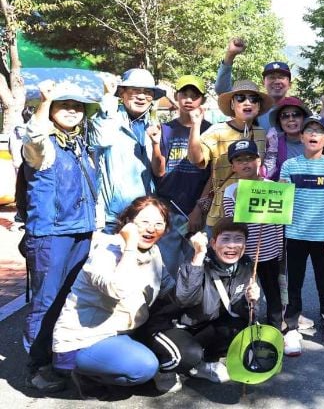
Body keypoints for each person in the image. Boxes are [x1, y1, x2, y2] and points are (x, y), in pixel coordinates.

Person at [52, 197, 175, 399]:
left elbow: (170, 289)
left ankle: (115, 371)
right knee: (144, 366)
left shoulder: (154, 251)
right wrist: (130, 246)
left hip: (122, 332)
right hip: (86, 339)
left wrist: (198, 261)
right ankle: (87, 377)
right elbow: (117, 289)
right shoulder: (106, 250)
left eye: (159, 223)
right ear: (128, 222)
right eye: (143, 222)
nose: (151, 229)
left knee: (171, 348)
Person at [21, 81, 99, 393]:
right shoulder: (43, 145)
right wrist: (44, 99)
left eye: (77, 106)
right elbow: (34, 136)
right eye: (63, 104)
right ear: (51, 111)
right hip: (51, 234)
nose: (71, 110)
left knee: (70, 299)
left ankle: (61, 359)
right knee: (45, 301)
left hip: (82, 230)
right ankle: (36, 366)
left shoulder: (81, 143)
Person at [141, 220, 260, 391]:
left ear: (245, 244)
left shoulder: (246, 265)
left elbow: (243, 314)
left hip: (202, 323)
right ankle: (163, 368)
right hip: (172, 325)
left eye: (238, 239)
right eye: (225, 239)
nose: (232, 245)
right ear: (213, 243)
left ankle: (203, 363)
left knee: (240, 328)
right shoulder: (198, 261)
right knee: (188, 355)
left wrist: (251, 303)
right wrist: (198, 255)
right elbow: (184, 299)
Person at [279, 116, 324, 354]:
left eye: (319, 131)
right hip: (294, 234)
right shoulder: (289, 166)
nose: (313, 134)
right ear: (302, 137)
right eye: (309, 131)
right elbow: (281, 203)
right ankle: (292, 327)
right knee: (293, 283)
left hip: (322, 238)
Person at [188, 80, 273, 232]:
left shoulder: (261, 133)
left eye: (253, 99)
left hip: (252, 212)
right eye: (240, 98)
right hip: (221, 212)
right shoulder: (216, 131)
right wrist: (195, 125)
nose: (247, 102)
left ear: (258, 106)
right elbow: (196, 159)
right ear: (232, 104)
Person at [89, 68, 165, 231]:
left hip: (144, 216)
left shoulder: (154, 126)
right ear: (122, 93)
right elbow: (100, 139)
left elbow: (158, 171)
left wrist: (156, 143)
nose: (141, 96)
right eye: (135, 90)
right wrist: (108, 98)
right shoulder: (106, 118)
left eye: (147, 92)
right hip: (112, 217)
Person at [151, 75, 212, 276]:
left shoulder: (211, 131)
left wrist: (199, 209)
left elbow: (213, 176)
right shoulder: (166, 129)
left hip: (196, 209)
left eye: (194, 96)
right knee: (166, 263)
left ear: (202, 100)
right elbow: (159, 171)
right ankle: (169, 306)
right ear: (176, 97)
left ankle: (192, 304)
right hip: (168, 206)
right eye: (183, 95)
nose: (188, 100)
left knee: (194, 261)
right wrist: (155, 144)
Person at [221, 139, 285, 329]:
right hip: (244, 254)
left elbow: (279, 223)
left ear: (259, 160)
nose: (245, 163)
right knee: (244, 292)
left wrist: (280, 251)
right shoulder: (231, 191)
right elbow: (231, 225)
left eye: (250, 158)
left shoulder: (272, 186)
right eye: (239, 160)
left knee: (273, 291)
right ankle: (247, 325)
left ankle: (276, 327)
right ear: (233, 166)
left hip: (270, 251)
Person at [214, 37, 292, 130]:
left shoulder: (298, 111)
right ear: (263, 82)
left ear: (290, 84)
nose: (276, 81)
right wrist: (230, 55)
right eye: (271, 77)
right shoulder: (255, 107)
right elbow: (222, 90)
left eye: (281, 77)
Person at [262, 96, 311, 182]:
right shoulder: (274, 143)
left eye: (296, 114)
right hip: (283, 193)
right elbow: (267, 174)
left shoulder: (314, 141)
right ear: (279, 121)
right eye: (285, 116)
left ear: (304, 118)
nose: (291, 119)